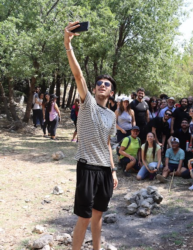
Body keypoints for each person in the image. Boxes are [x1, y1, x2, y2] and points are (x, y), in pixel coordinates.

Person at [65, 21, 118, 250]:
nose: (102, 85)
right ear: (94, 89)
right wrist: (68, 44)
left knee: (98, 217)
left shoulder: (112, 116)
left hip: (105, 171)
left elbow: (107, 144)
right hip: (87, 168)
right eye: (99, 83)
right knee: (84, 218)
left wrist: (113, 170)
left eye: (106, 84)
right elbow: (78, 75)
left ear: (112, 91)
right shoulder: (87, 104)